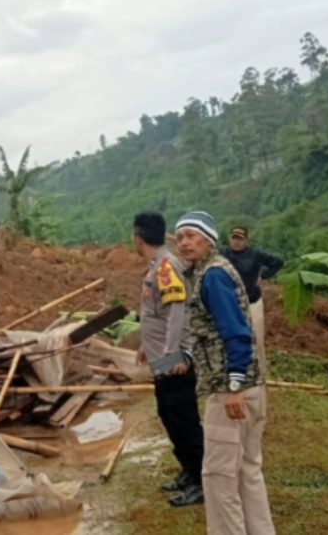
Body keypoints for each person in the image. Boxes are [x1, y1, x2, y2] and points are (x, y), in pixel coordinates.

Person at [175, 211, 275, 535]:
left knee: (219, 477)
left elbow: (236, 333)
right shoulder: (213, 271)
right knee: (248, 470)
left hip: (230, 391)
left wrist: (234, 386)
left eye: (192, 236)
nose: (184, 242)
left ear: (209, 241)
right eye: (180, 237)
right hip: (250, 385)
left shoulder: (213, 276)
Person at [132, 212, 205, 507]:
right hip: (163, 357)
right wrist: (145, 344)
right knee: (168, 414)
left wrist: (171, 351)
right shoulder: (157, 266)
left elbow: (177, 310)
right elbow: (158, 312)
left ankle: (200, 480)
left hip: (174, 359)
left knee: (183, 418)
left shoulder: (165, 266)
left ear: (138, 239)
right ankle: (188, 469)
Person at [220, 226, 284, 372]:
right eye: (234, 238)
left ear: (246, 241)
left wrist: (265, 275)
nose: (236, 242)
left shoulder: (255, 255)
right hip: (230, 302)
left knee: (255, 337)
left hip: (252, 301)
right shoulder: (223, 253)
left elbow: (278, 262)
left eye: (240, 239)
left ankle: (259, 370)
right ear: (230, 239)